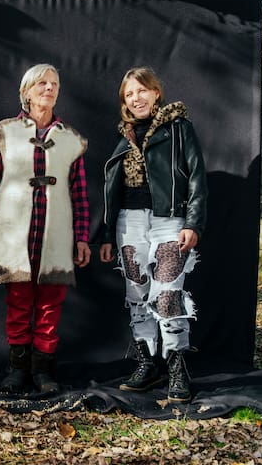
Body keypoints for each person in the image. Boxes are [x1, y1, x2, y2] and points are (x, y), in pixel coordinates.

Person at [0, 63, 91, 394]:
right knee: (19, 303)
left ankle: (43, 371)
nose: (49, 89)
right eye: (42, 84)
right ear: (26, 92)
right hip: (13, 234)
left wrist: (82, 237)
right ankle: (18, 369)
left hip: (56, 235)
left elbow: (80, 195)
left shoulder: (71, 140)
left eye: (54, 84)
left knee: (50, 305)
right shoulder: (5, 132)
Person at [99, 67, 207, 403]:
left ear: (155, 92)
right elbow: (113, 191)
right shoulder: (124, 137)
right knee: (137, 294)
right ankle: (147, 364)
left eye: (142, 90)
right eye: (129, 94)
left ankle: (176, 366)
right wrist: (106, 235)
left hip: (169, 221)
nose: (136, 98)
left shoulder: (179, 128)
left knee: (167, 295)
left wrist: (193, 223)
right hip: (129, 222)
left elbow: (196, 177)